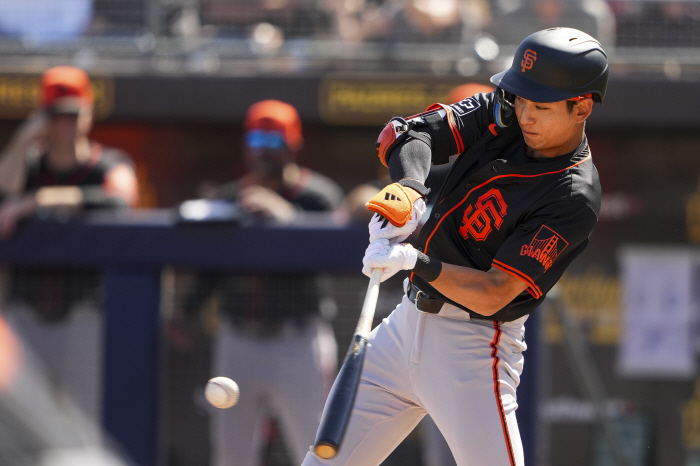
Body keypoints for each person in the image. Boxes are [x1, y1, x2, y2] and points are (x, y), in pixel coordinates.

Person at [302, 27, 607, 466]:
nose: (525, 115)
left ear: (581, 107)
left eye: (540, 105)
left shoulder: (573, 194)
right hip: (403, 327)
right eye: (521, 98)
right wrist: (408, 190)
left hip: (475, 346)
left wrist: (414, 259)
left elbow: (495, 291)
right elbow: (407, 134)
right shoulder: (502, 113)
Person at [178, 99, 343, 466]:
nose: (264, 152)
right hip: (239, 339)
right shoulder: (229, 197)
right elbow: (211, 266)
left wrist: (284, 216)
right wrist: (187, 311)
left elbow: (331, 254)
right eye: (257, 142)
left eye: (273, 143)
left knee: (318, 450)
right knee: (231, 454)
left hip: (297, 340)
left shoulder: (316, 196)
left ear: (292, 145)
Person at [0, 65, 139, 422]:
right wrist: (24, 138)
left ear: (88, 115)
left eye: (73, 114)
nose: (66, 123)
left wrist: (39, 200)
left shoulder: (107, 164)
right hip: (25, 315)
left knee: (82, 427)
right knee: (19, 430)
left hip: (83, 317)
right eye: (57, 114)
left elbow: (120, 199)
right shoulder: (26, 167)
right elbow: (4, 195)